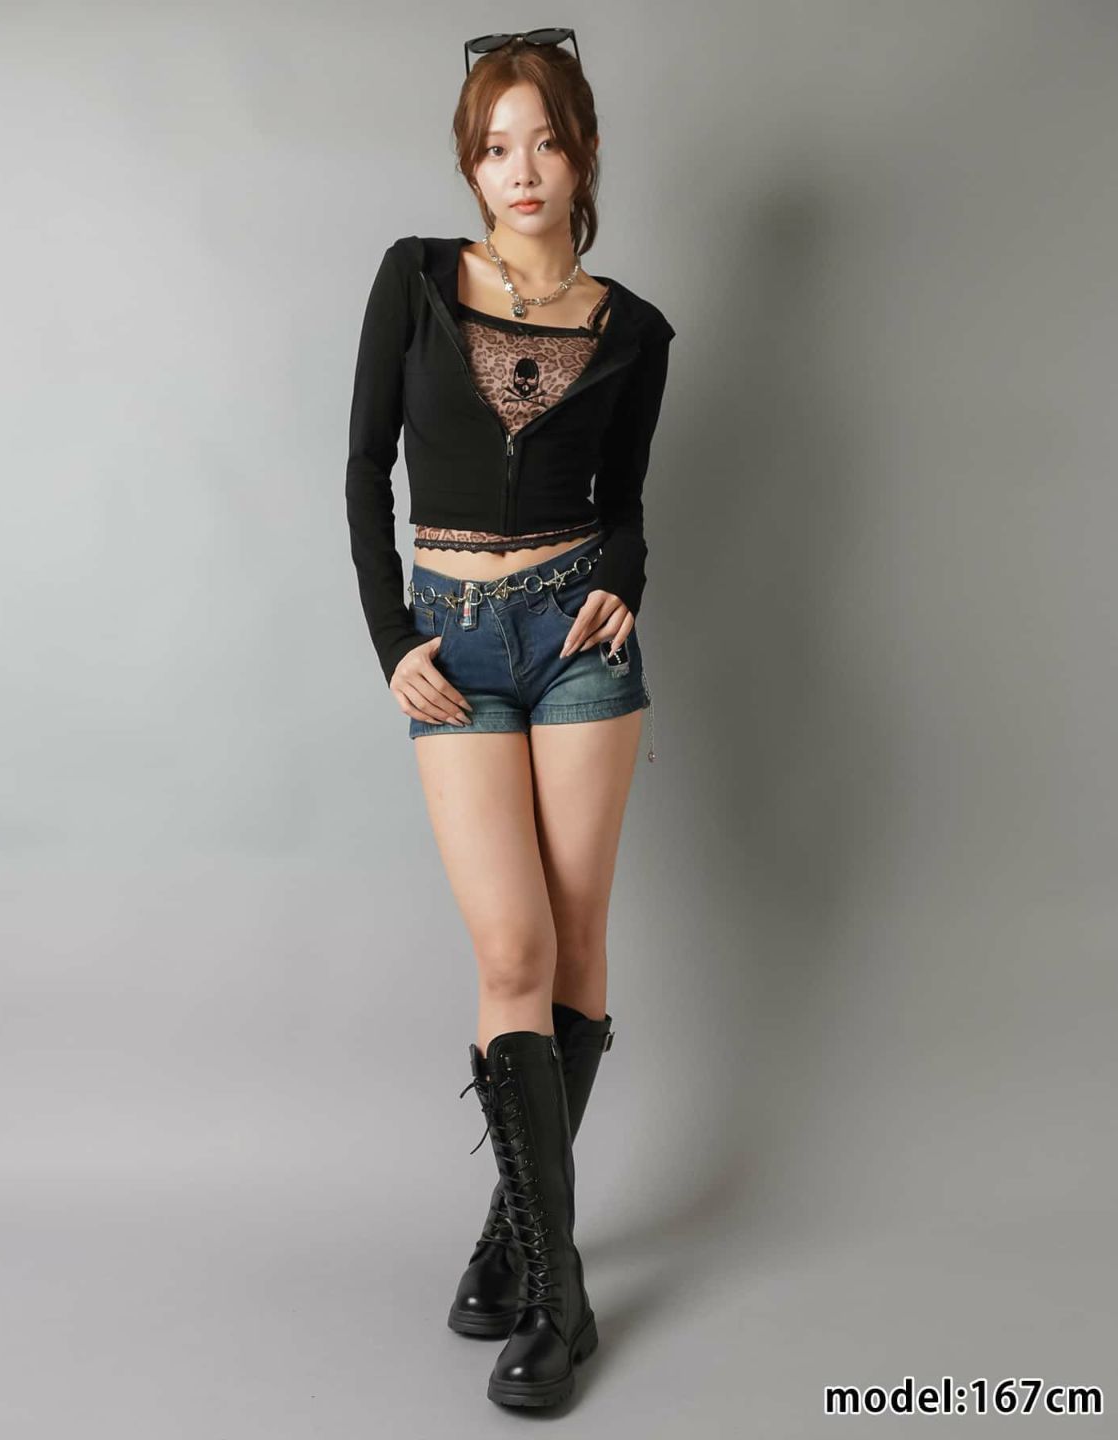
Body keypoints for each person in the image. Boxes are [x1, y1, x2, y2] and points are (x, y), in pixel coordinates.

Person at [344, 29, 676, 1410]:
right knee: (511, 948)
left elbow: (626, 504)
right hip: (456, 642)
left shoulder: (634, 329)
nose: (520, 169)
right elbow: (364, 471)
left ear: (581, 153)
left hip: (579, 642)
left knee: (577, 944)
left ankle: (527, 1263)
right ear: (470, 165)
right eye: (494, 146)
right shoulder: (416, 280)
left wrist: (625, 586)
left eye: (543, 141)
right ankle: (557, 1274)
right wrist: (393, 642)